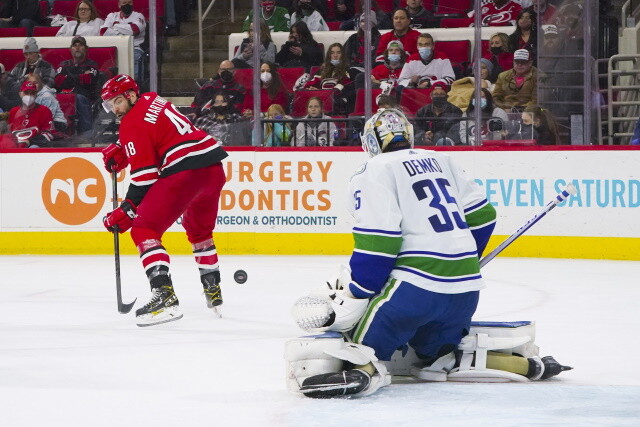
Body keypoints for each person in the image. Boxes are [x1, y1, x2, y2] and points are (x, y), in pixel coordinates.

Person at [100, 74, 228, 327]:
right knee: (200, 232)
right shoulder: (152, 99)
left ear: (131, 95)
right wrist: (123, 145)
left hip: (185, 173)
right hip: (213, 169)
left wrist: (127, 209)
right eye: (109, 104)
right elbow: (154, 127)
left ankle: (164, 296)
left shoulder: (130, 124)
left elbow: (145, 178)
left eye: (117, 101)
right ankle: (213, 291)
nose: (114, 109)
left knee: (144, 229)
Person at [54, 35, 103, 134]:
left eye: (80, 45)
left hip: (85, 96)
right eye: (74, 45)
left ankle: (86, 134)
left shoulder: (92, 64)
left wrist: (68, 77)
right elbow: (58, 81)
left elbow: (89, 80)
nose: (77, 47)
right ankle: (58, 132)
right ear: (70, 49)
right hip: (65, 96)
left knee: (79, 98)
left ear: (86, 48)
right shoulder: (64, 64)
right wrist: (80, 76)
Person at [100, 0, 146, 83]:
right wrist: (125, 32)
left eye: (129, 2)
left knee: (133, 74)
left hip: (134, 48)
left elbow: (135, 30)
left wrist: (115, 26)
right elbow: (103, 31)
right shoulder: (112, 16)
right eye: (124, 3)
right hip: (114, 49)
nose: (127, 5)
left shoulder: (138, 16)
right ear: (119, 5)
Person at [303, 43, 354, 115]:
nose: (335, 55)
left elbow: (343, 88)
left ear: (343, 55)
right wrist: (312, 89)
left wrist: (321, 92)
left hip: (338, 104)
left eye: (338, 53)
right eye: (332, 53)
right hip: (319, 102)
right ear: (329, 55)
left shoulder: (348, 70)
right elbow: (308, 85)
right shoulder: (322, 70)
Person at [8, 81, 55, 148]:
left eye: (32, 93)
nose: (29, 96)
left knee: (33, 147)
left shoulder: (44, 110)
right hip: (15, 146)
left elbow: (49, 134)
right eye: (26, 93)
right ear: (20, 94)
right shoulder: (13, 111)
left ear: (36, 94)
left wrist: (29, 141)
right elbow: (9, 133)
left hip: (35, 146)